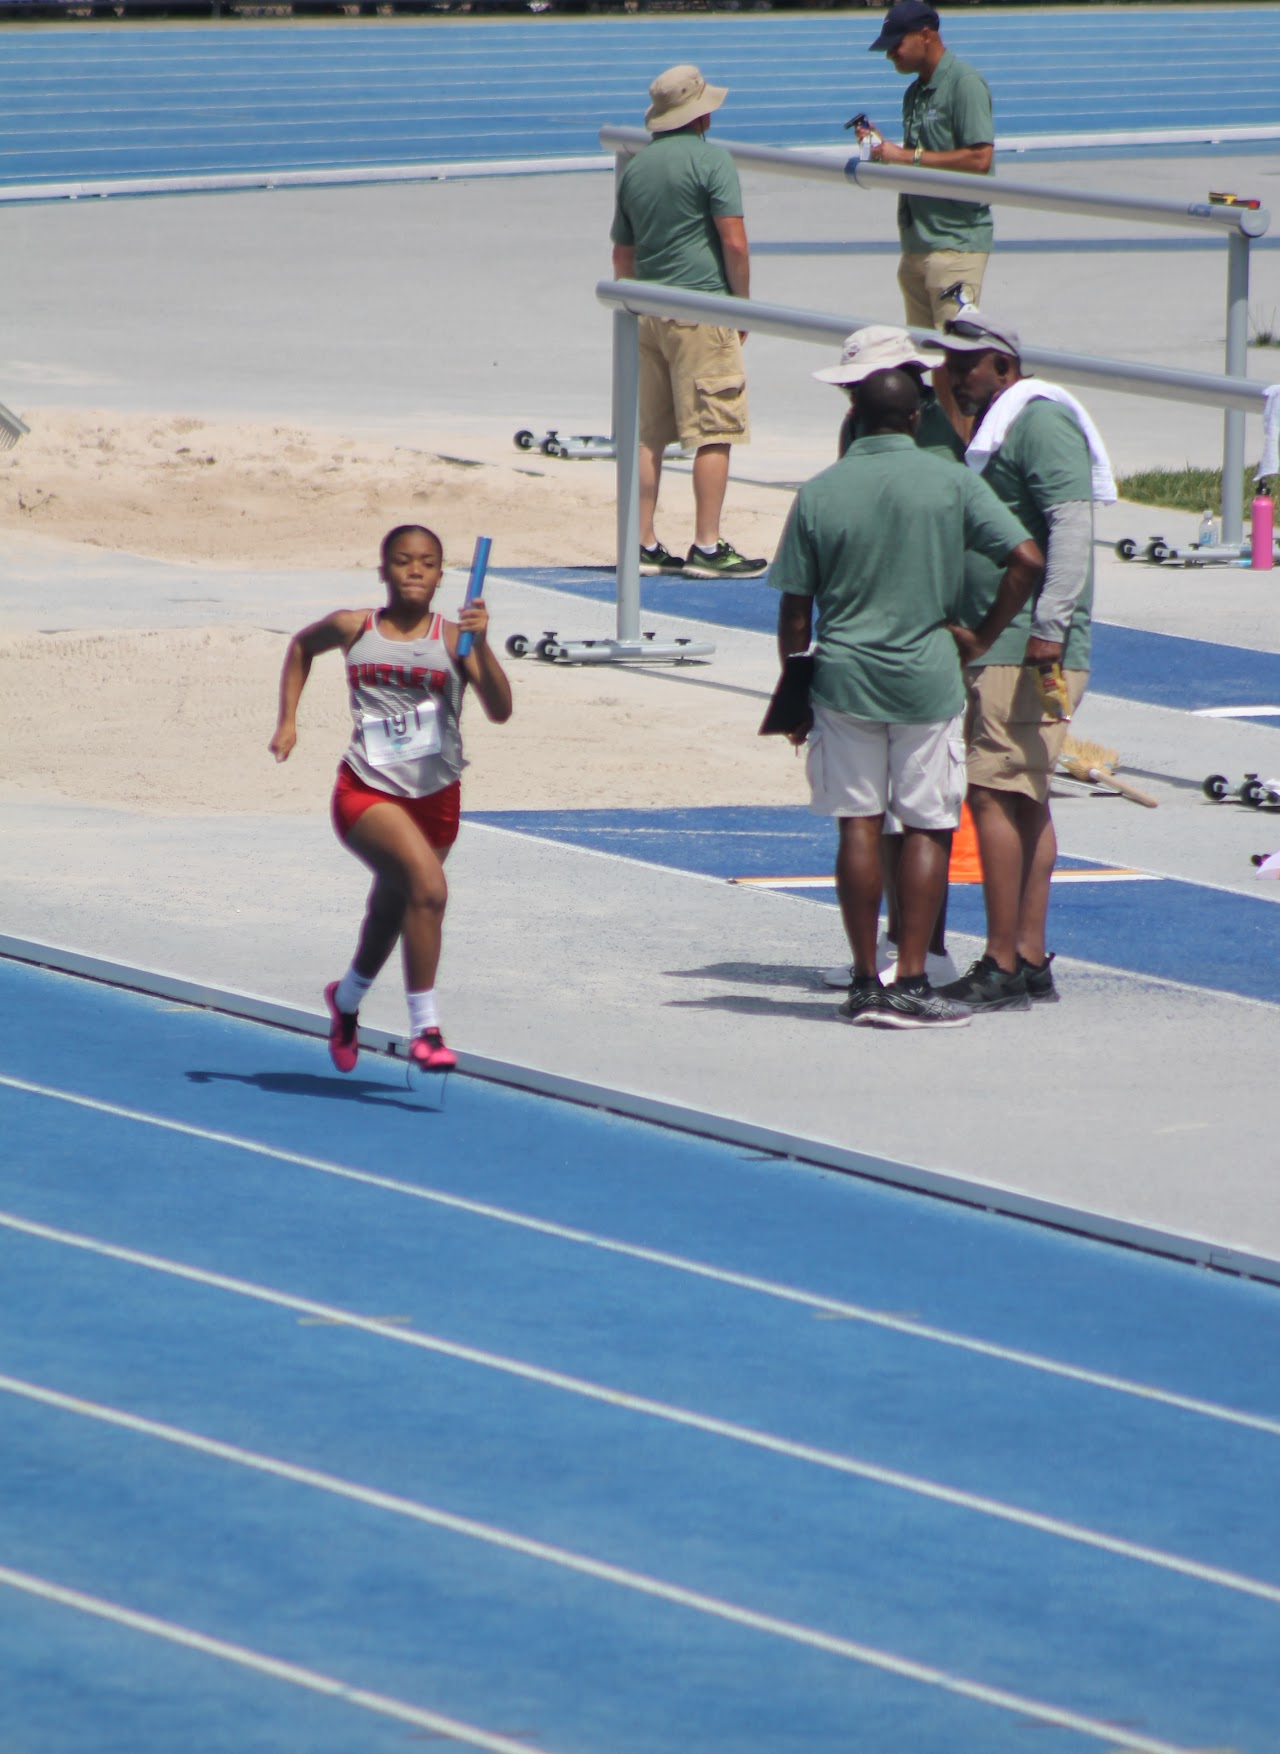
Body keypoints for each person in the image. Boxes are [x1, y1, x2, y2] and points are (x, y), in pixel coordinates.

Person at [769, 368, 1043, 1030]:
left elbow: (796, 613)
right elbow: (1027, 559)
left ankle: (865, 982)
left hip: (845, 680)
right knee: (926, 826)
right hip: (927, 680)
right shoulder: (949, 482)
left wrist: (796, 690)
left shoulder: (821, 493)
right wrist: (980, 635)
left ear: (854, 420)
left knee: (858, 825)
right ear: (916, 419)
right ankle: (913, 980)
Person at [269, 524, 513, 1073]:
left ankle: (347, 1001)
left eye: (427, 563)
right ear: (383, 570)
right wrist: (288, 721)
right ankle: (425, 1029)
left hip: (436, 797)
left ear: (441, 575)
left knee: (393, 908)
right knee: (428, 889)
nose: (415, 571)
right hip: (366, 790)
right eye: (403, 561)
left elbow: (500, 709)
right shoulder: (354, 628)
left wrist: (484, 643)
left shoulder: (456, 640)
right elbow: (301, 648)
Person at [936, 308, 1116, 1010]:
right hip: (1011, 642)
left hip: (1025, 646)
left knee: (994, 793)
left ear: (1004, 366)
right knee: (1025, 794)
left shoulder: (1038, 420)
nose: (954, 374)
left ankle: (1004, 960)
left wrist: (1049, 628)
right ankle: (1029, 956)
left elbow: (1071, 523)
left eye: (967, 363)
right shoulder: (996, 422)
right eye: (949, 362)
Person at [812, 324, 962, 990]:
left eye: (853, 385)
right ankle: (901, 953)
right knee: (904, 817)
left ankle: (921, 952)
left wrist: (973, 635)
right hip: (906, 650)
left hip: (917, 644)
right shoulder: (874, 430)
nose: (848, 398)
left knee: (915, 817)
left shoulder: (925, 442)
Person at [610, 63, 767, 580]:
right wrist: (740, 304)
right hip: (701, 307)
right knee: (714, 430)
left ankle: (641, 541)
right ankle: (706, 543)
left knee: (650, 432)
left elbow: (622, 255)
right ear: (701, 114)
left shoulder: (636, 166)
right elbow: (735, 241)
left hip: (647, 309)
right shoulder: (712, 161)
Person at [856, 0, 994, 431]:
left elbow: (979, 158)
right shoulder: (914, 92)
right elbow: (921, 160)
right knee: (928, 360)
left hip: (955, 242)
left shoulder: (965, 84)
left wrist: (908, 155)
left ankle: (961, 458)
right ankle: (938, 447)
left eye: (896, 45)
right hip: (917, 243)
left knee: (959, 363)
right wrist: (885, 151)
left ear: (926, 36)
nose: (890, 54)